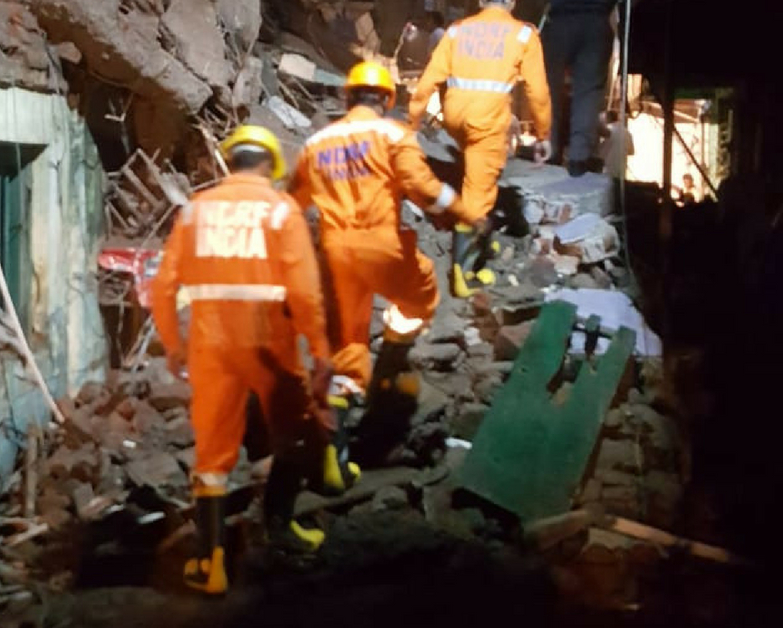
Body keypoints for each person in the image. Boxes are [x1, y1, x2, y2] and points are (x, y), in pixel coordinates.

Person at [150, 125, 342, 596]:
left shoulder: (195, 210)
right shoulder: (282, 210)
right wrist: (319, 351)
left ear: (230, 162)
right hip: (269, 343)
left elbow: (164, 285)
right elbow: (305, 290)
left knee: (213, 455)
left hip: (211, 345)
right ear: (271, 166)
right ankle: (280, 527)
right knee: (294, 433)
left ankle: (210, 563)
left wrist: (173, 343)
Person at [290, 60, 473, 425]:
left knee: (349, 336)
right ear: (387, 100)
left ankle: (335, 445)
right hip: (383, 244)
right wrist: (461, 210)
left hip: (337, 251)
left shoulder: (316, 143)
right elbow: (422, 188)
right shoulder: (393, 134)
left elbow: (294, 204)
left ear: (347, 99)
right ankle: (392, 356)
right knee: (421, 294)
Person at [408, 0, 552, 298]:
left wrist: (413, 120)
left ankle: (482, 240)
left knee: (476, 175)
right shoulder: (523, 35)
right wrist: (542, 133)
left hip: (455, 118)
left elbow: (428, 80)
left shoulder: (458, 30)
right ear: (511, 1)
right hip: (485, 123)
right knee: (479, 197)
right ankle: (465, 275)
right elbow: (537, 93)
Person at [543, 0, 619, 176]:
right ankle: (579, 157)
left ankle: (549, 150)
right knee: (588, 91)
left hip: (559, 20)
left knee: (549, 90)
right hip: (596, 19)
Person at [597, 109, 634, 177]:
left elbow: (599, 153)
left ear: (606, 119)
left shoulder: (606, 133)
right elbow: (631, 151)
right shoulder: (627, 133)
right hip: (621, 170)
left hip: (607, 170)